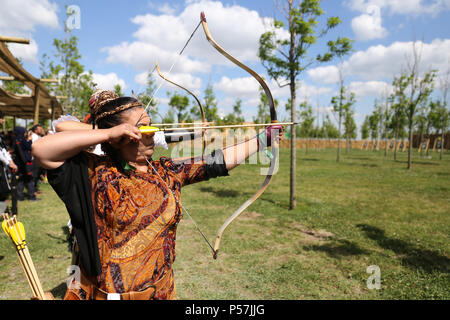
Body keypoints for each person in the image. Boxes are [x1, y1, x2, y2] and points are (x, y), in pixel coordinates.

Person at [32, 90, 281, 300]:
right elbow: (41, 150)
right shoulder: (92, 172)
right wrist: (106, 134)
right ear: (120, 135)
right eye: (142, 127)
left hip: (162, 291)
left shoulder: (166, 171)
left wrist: (263, 139)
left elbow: (215, 162)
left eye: (150, 123)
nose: (151, 131)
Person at [13, 126, 39, 201]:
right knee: (30, 179)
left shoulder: (16, 139)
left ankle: (20, 196)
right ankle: (31, 196)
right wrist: (30, 140)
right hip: (26, 162)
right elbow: (29, 147)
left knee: (21, 180)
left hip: (19, 163)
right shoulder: (22, 139)